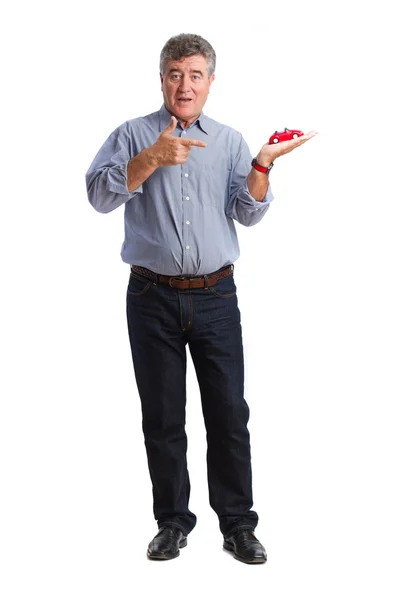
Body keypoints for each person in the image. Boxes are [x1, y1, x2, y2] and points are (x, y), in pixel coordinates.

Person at [85, 33, 317, 564]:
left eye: (195, 75)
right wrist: (150, 159)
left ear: (210, 82)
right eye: (174, 73)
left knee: (229, 414)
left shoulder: (231, 141)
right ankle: (171, 522)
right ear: (161, 78)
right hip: (150, 296)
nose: (184, 84)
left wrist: (262, 163)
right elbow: (98, 195)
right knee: (163, 416)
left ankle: (237, 525)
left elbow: (249, 212)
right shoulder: (133, 134)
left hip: (215, 296)